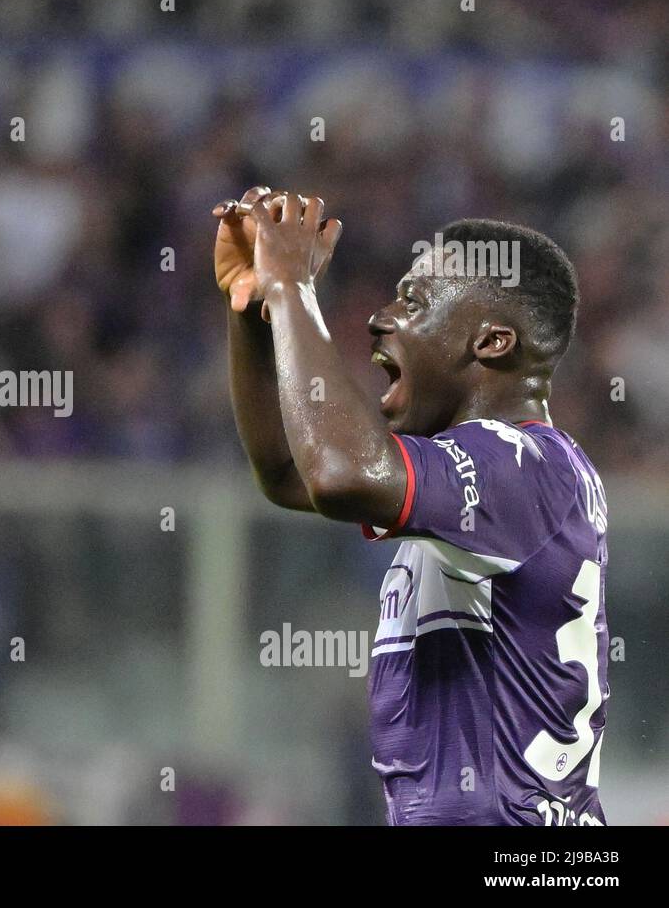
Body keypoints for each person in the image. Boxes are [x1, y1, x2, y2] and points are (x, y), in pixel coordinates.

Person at [215, 187, 609, 825]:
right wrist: (254, 307)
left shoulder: (517, 465)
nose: (380, 317)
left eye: (415, 302)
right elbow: (293, 471)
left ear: (491, 342)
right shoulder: (502, 471)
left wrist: (294, 289)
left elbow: (340, 472)